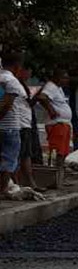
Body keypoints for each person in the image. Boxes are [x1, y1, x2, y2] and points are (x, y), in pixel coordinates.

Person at [33, 70, 72, 168]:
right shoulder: (51, 86)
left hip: (63, 124)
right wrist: (51, 110)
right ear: (57, 78)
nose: (67, 80)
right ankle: (55, 172)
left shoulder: (58, 88)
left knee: (63, 151)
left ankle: (59, 172)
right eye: (64, 77)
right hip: (57, 124)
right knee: (58, 151)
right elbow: (42, 97)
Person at [0, 58, 25, 196]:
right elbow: (7, 105)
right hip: (9, 126)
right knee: (9, 159)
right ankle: (3, 189)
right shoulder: (11, 81)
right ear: (16, 67)